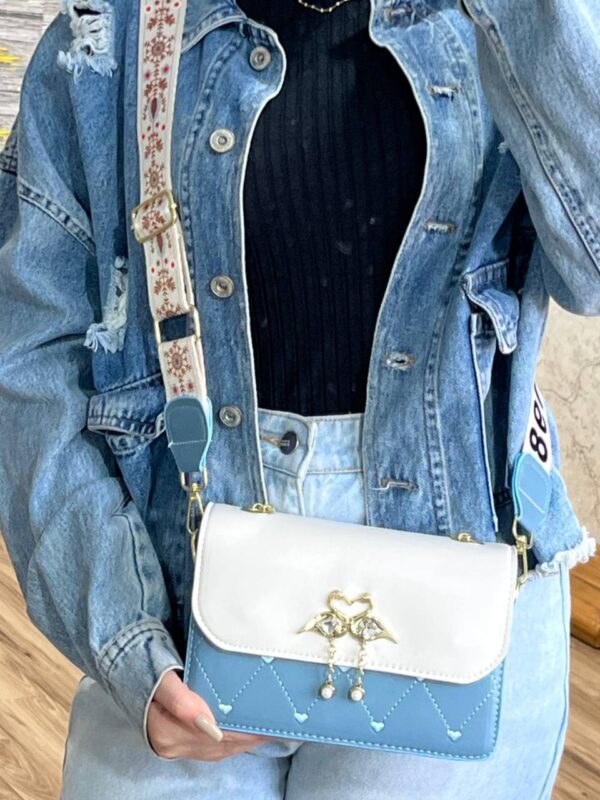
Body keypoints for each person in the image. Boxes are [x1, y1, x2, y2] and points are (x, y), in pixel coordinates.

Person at [0, 0, 597, 798]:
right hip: (171, 593)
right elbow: (30, 358)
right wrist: (121, 630)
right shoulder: (106, 37)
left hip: (460, 596)